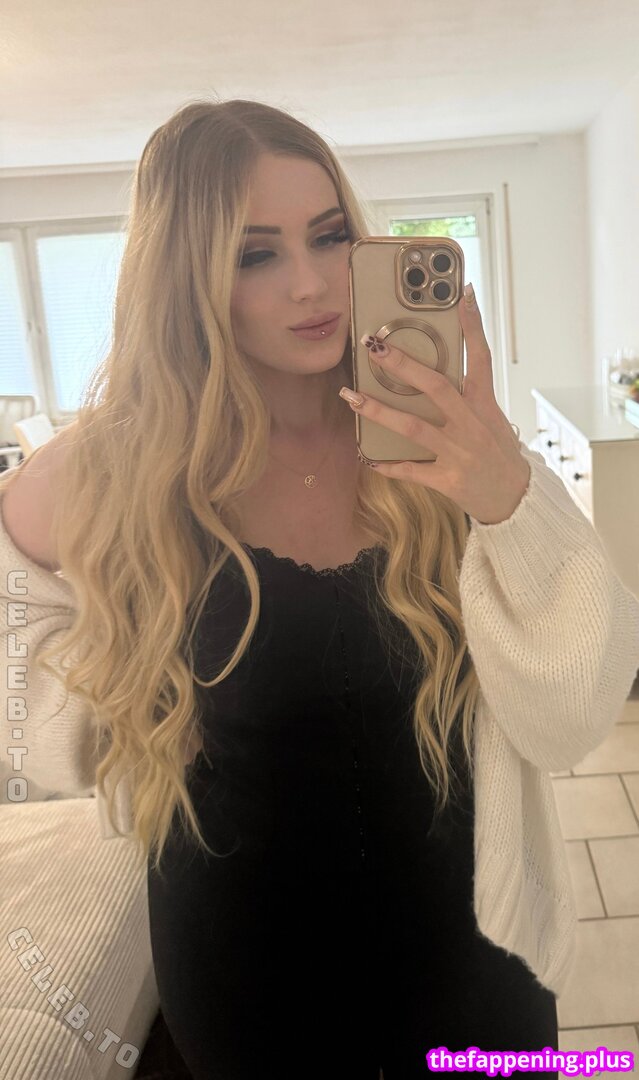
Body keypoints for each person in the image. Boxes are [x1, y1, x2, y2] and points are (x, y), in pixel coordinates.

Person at [2, 97, 639, 1080]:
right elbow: (24, 655)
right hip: (244, 971)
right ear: (185, 274)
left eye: (330, 235)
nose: (310, 283)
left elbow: (573, 716)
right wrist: (104, 716)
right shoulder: (116, 474)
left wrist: (508, 497)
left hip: (475, 951)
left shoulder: (448, 447)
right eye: (254, 254)